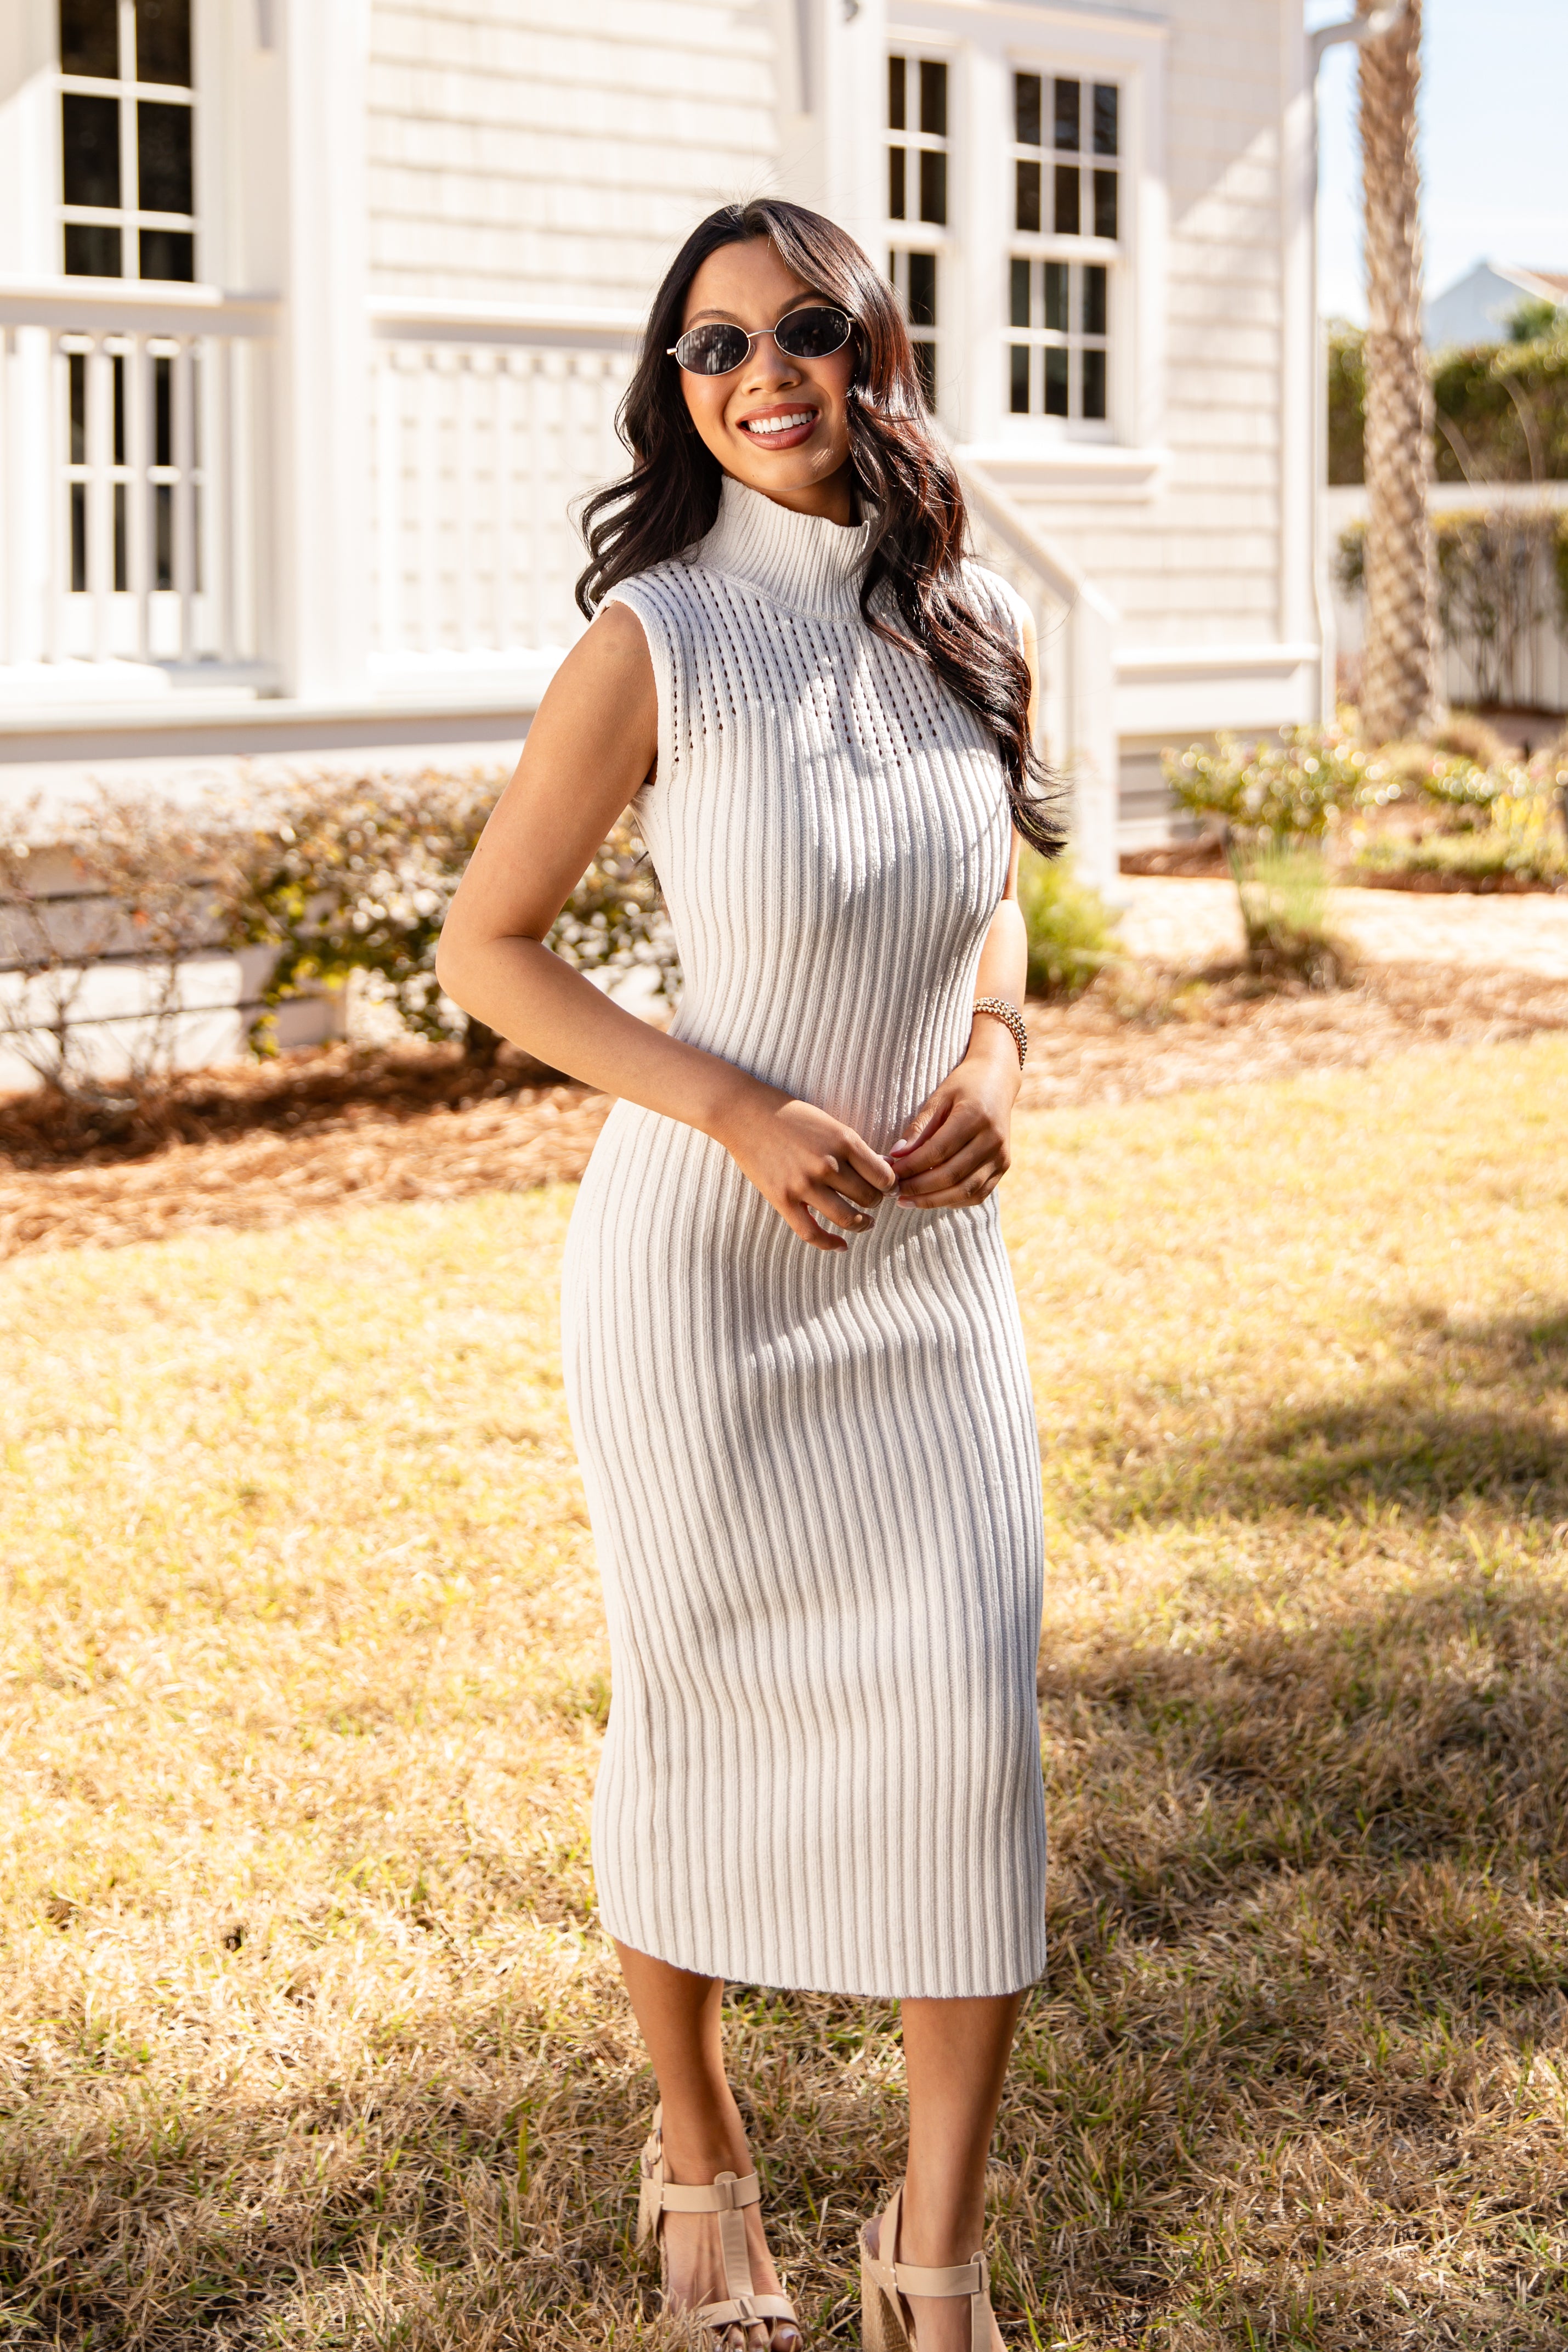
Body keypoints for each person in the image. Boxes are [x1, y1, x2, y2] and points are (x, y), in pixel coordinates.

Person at [437, 197, 1062, 2352]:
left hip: (926, 1283)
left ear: (873, 350)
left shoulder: (967, 619)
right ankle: (705, 2164)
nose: (761, 372)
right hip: (703, 1283)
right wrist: (725, 1107)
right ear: (675, 388)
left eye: (801, 329)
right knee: (694, 1718)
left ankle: (935, 2250)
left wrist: (991, 1052)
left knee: (968, 1732)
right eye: (710, 347)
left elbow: (993, 905)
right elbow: (483, 949)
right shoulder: (656, 636)